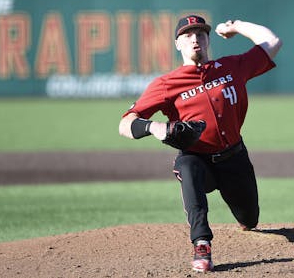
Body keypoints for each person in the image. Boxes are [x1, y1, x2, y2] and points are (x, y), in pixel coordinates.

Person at [118, 15, 282, 273]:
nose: (195, 39)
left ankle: (243, 217)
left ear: (207, 40)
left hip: (234, 158)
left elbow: (272, 41)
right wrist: (155, 127)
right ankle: (201, 243)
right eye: (187, 35)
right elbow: (125, 123)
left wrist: (236, 27)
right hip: (198, 159)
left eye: (201, 34)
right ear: (177, 44)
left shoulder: (231, 67)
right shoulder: (166, 85)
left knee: (250, 220)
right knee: (186, 167)